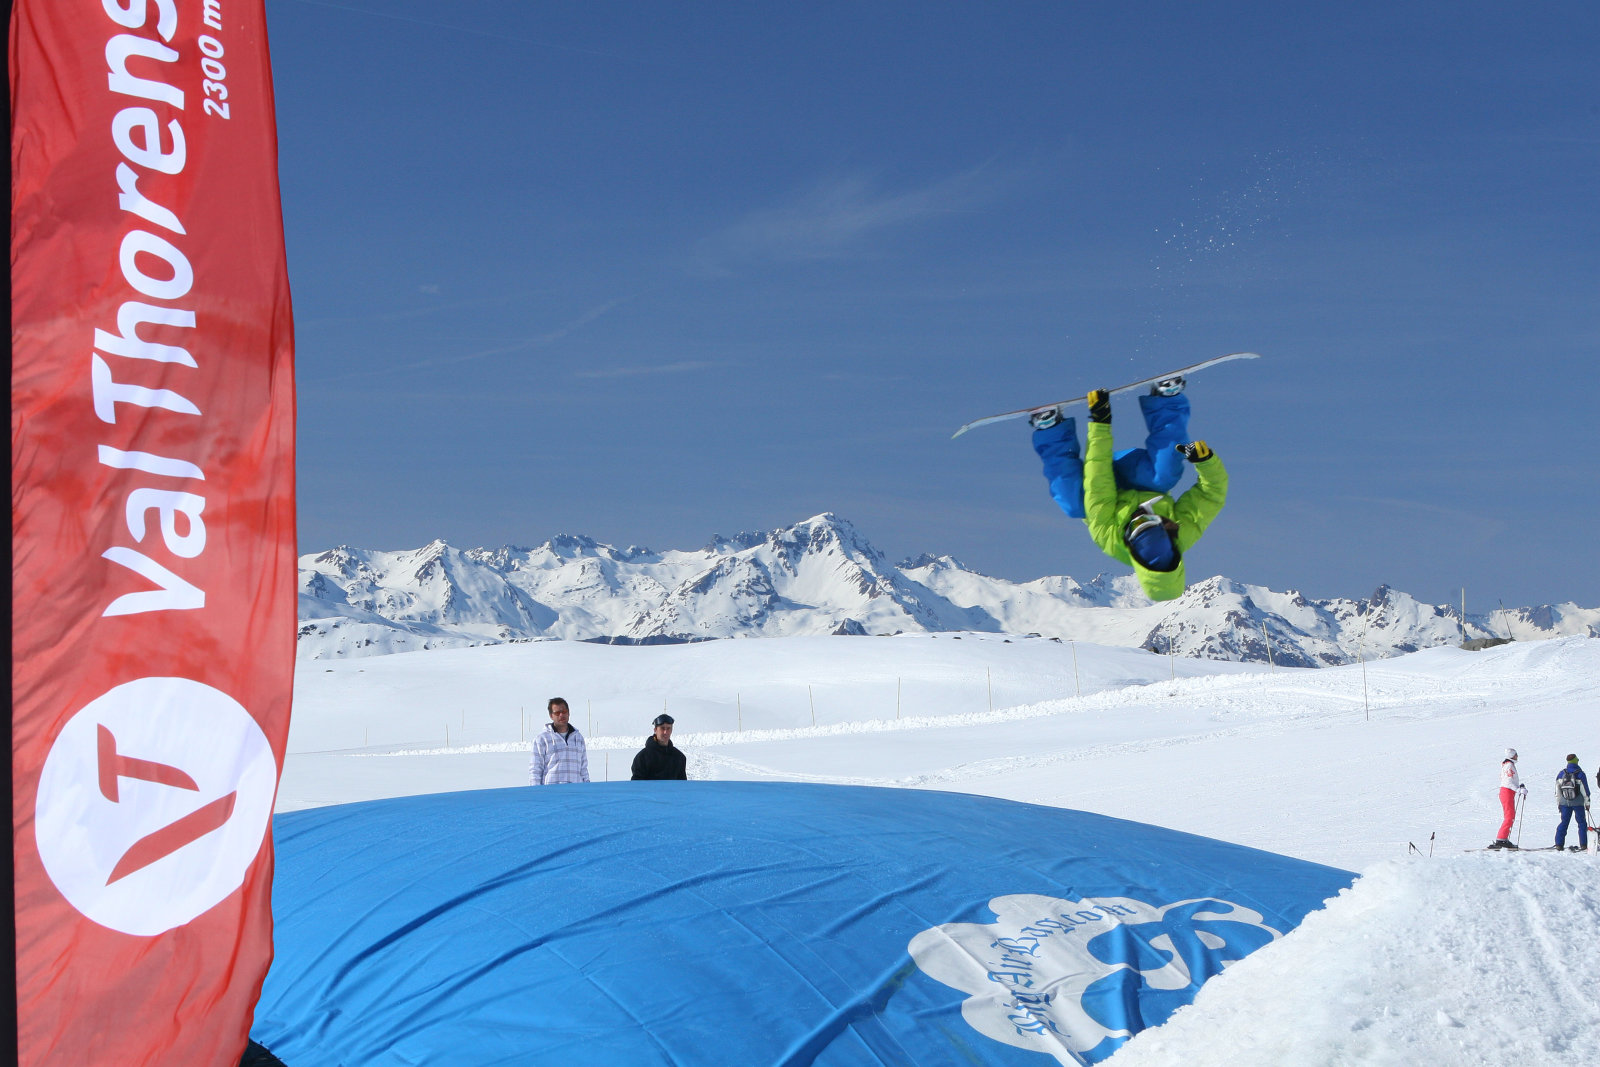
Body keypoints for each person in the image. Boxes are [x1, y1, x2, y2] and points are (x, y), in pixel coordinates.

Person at [1030, 378, 1226, 602]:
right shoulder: (1183, 531)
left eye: (1136, 528)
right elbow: (1212, 494)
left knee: (1072, 503)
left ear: (1131, 545)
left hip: (1101, 484)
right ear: (1168, 533)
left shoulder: (1108, 538)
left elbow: (1098, 481)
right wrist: (1206, 461)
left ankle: (1051, 428)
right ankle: (1166, 398)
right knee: (1165, 474)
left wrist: (1100, 422)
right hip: (1142, 477)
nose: (1140, 518)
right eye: (1151, 521)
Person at [528, 697, 590, 785]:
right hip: (552, 793)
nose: (561, 715)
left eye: (564, 712)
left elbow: (583, 769)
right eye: (557, 713)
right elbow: (535, 770)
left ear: (568, 713)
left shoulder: (578, 738)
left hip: (576, 792)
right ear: (551, 716)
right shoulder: (542, 739)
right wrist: (536, 793)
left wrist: (587, 788)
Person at [1488, 747, 1527, 849]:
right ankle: (1501, 839)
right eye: (1515, 754)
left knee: (1510, 816)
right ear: (1511, 755)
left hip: (1507, 792)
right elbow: (1508, 782)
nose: (1517, 756)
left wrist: (1518, 787)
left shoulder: (1507, 765)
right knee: (1509, 816)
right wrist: (1518, 789)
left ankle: (1502, 838)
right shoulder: (1509, 765)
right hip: (1507, 792)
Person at [630, 713, 687, 781]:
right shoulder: (642, 757)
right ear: (655, 730)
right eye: (662, 728)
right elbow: (636, 786)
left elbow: (682, 786)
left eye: (668, 728)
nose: (665, 732)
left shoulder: (679, 757)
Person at [1553, 754, 1590, 852]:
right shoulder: (1580, 774)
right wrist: (1587, 803)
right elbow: (1585, 791)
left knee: (1564, 823)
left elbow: (1557, 791)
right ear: (1575, 761)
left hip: (1565, 803)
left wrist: (1559, 803)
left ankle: (1559, 844)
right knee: (1581, 823)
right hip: (1578, 803)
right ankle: (1583, 844)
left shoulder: (1561, 773)